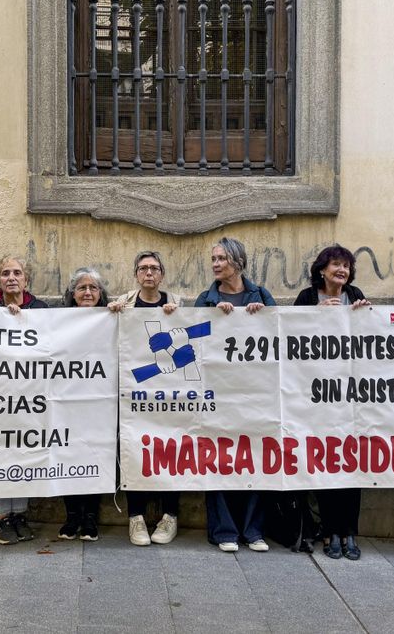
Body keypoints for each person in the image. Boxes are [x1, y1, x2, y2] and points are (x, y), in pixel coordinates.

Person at [194, 237, 274, 553]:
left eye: (221, 259)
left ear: (238, 262)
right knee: (217, 457)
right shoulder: (206, 300)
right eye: (213, 259)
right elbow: (194, 338)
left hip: (256, 392)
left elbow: (278, 333)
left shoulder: (261, 295)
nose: (215, 264)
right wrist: (213, 316)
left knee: (257, 457)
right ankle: (224, 530)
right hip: (218, 393)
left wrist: (262, 314)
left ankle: (253, 531)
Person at [296, 244, 369, 560]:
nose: (342, 270)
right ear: (322, 270)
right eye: (336, 264)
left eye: (346, 266)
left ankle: (349, 531)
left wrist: (365, 314)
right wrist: (317, 314)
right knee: (325, 464)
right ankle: (329, 532)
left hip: (350, 396)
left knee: (352, 465)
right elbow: (291, 335)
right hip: (317, 398)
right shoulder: (307, 297)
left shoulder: (355, 295)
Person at [109, 251, 181, 546]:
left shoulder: (176, 304)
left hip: (170, 395)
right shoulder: (124, 304)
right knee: (134, 449)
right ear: (136, 275)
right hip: (134, 395)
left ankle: (170, 516)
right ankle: (136, 517)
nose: (148, 273)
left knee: (173, 450)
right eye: (143, 268)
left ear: (162, 275)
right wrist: (112, 314)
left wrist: (178, 316)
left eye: (154, 268)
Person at [0, 255, 48, 544]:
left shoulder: (40, 310)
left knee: (23, 451)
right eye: (5, 273)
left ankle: (19, 514)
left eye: (17, 273)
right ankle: (0, 518)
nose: (11, 278)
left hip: (28, 396)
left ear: (26, 279)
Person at [57, 267, 110, 542]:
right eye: (82, 288)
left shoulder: (111, 318)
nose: (88, 292)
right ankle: (72, 516)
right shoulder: (57, 321)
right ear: (72, 294)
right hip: (67, 399)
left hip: (99, 400)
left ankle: (90, 516)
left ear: (100, 294)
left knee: (95, 454)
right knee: (68, 453)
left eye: (93, 288)